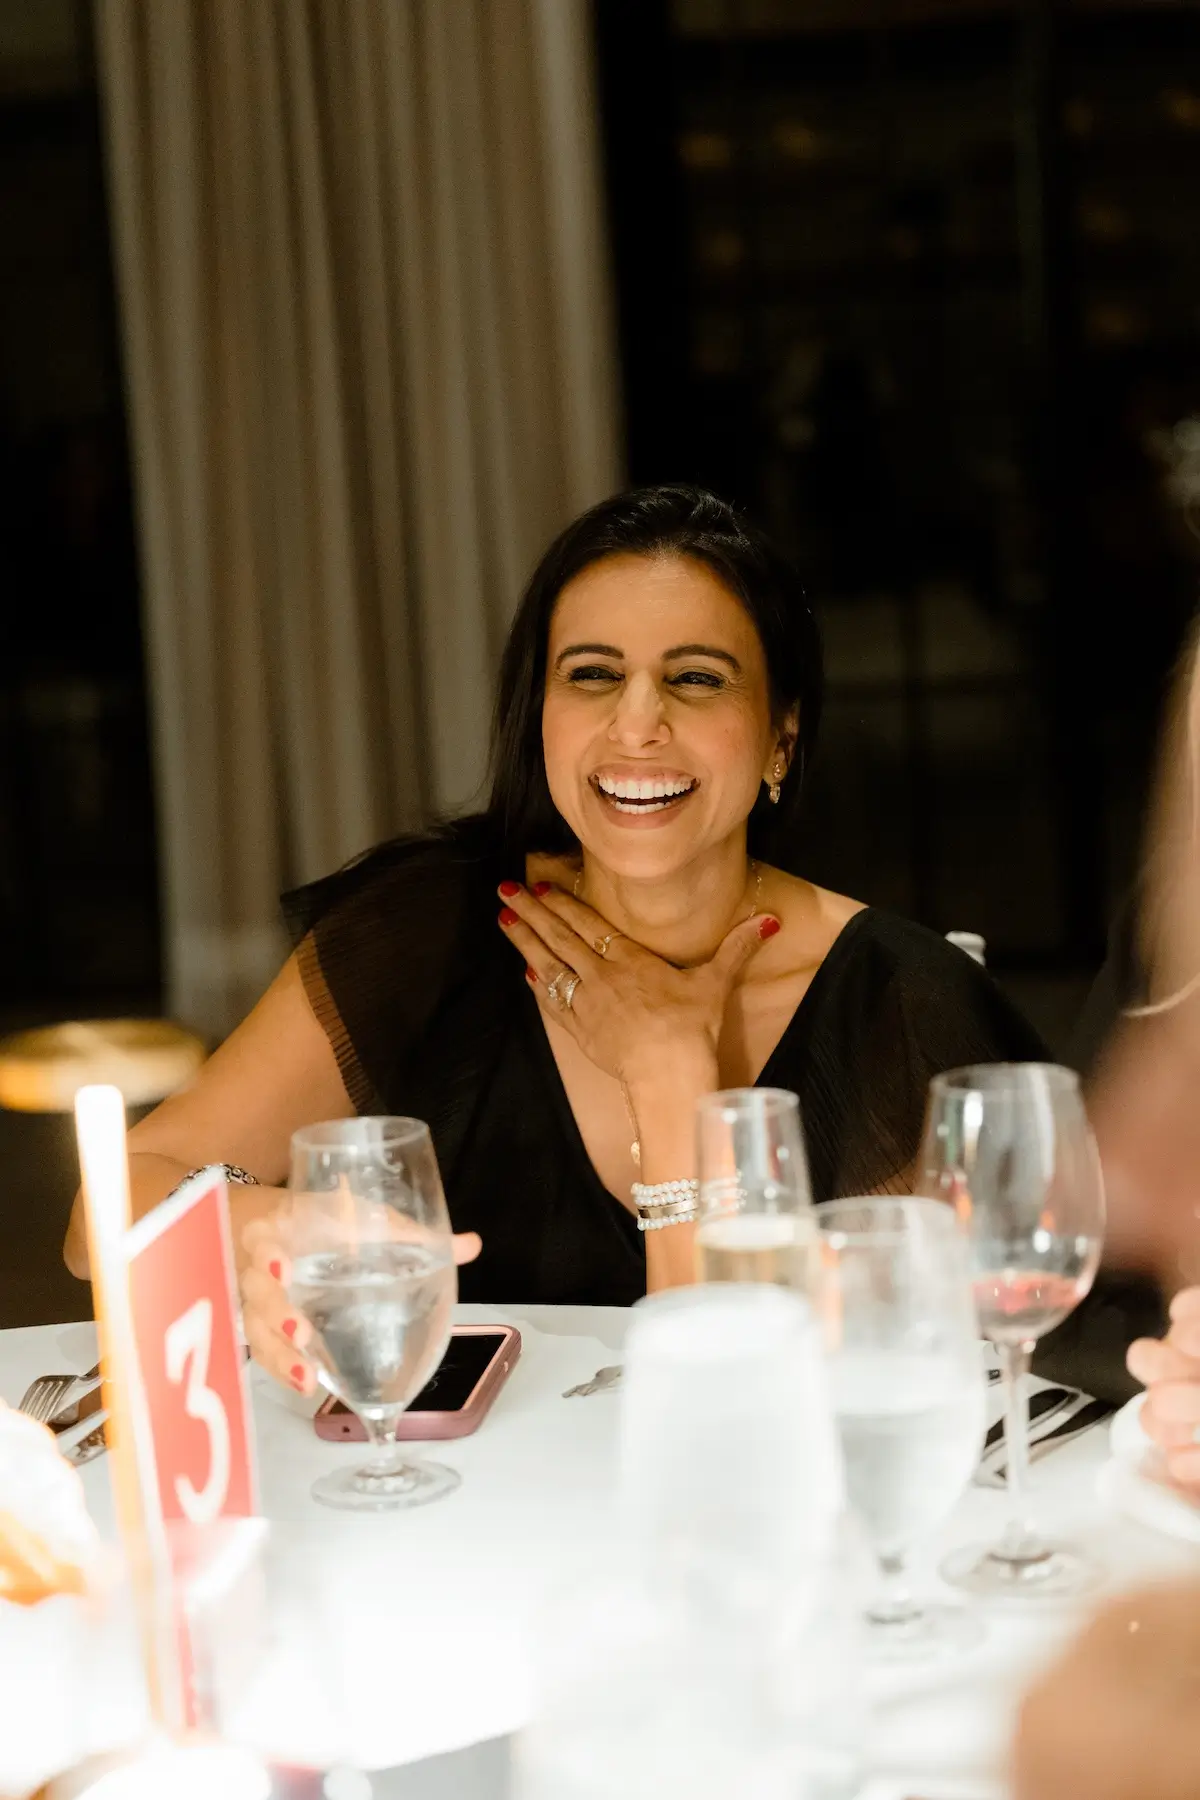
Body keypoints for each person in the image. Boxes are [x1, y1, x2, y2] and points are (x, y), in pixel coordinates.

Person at [65, 485, 1046, 1395]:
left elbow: (741, 1402)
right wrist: (261, 1222)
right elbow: (101, 1208)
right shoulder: (432, 927)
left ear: (781, 737)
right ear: (542, 715)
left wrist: (670, 1074)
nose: (636, 724)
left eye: (695, 678)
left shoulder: (898, 1006)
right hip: (455, 1509)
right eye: (593, 675)